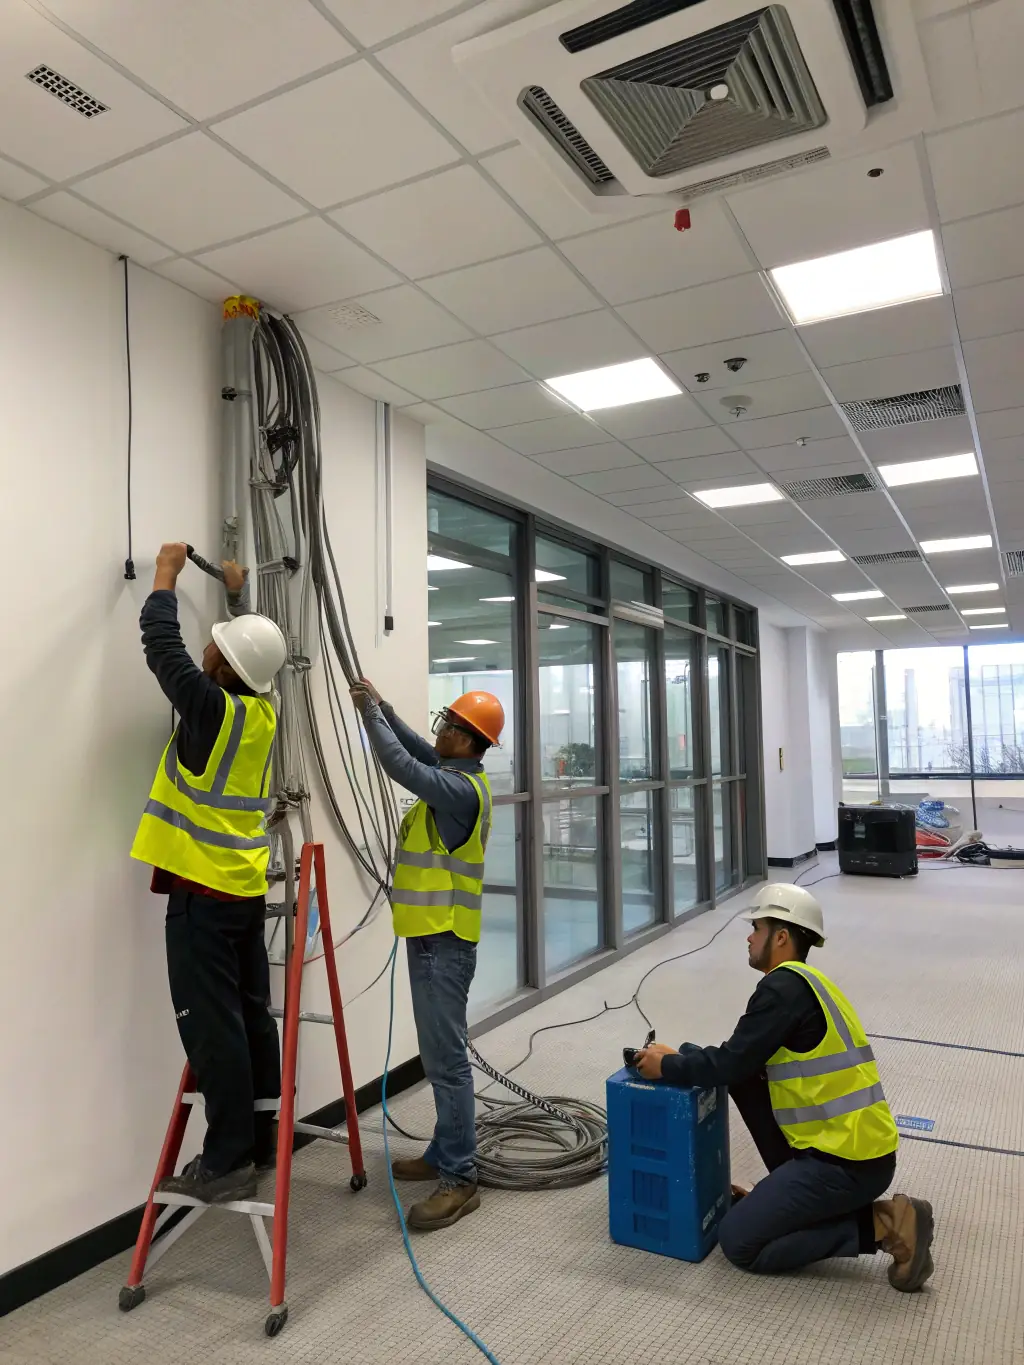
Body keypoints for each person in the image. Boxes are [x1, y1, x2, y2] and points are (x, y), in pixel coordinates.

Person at [634, 882, 935, 1292]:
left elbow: (732, 1061)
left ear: (780, 937)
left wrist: (668, 1066)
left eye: (756, 927)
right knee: (734, 1072)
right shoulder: (810, 985)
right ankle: (782, 1197)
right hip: (856, 1151)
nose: (749, 936)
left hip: (843, 1163)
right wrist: (682, 1058)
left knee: (739, 1241)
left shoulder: (782, 988)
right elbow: (740, 1062)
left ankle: (884, 1225)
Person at [131, 542, 288, 1204]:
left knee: (212, 1024)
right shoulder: (260, 712)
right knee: (251, 1016)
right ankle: (261, 1137)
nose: (206, 652)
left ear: (222, 666)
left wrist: (164, 578)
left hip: (200, 892)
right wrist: (235, 598)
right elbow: (248, 660)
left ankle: (225, 1161)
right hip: (243, 889)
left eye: (215, 647)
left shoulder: (211, 709)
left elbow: (163, 652)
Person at [349, 679, 504, 1231]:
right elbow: (419, 750)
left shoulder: (459, 792)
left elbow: (404, 766)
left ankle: (460, 1179)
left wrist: (369, 715)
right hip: (431, 940)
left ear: (468, 741)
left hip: (444, 945)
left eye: (449, 726)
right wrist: (386, 707)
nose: (439, 731)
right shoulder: (457, 775)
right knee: (441, 1059)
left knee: (447, 1065)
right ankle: (443, 1152)